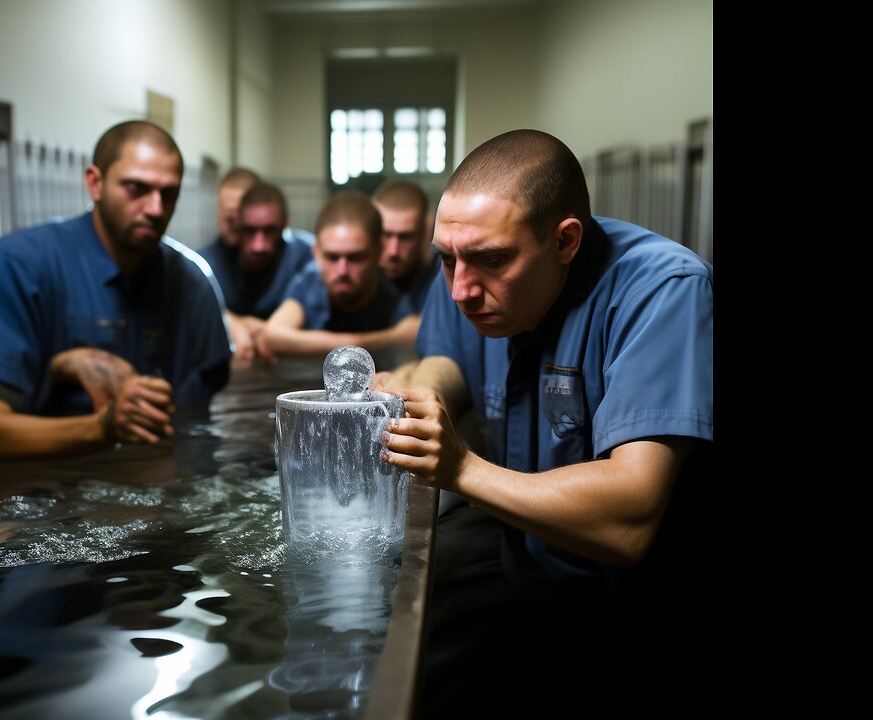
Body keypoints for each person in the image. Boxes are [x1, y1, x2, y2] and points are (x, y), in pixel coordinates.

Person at [377, 129, 714, 714]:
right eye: (446, 259)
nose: (460, 289)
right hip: (526, 550)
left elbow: (629, 520)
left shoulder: (662, 289)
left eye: (491, 260)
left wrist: (459, 466)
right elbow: (445, 359)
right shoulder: (468, 264)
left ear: (565, 241)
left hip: (640, 594)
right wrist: (422, 397)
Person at [0, 120, 232, 459]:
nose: (155, 209)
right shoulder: (18, 266)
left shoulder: (193, 287)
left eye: (168, 193)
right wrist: (101, 427)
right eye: (136, 188)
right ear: (95, 183)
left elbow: (196, 424)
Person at [258, 192, 419, 358]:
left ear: (379, 251)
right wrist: (357, 343)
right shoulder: (311, 282)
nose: (342, 270)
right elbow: (273, 335)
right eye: (332, 257)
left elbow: (412, 332)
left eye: (356, 258)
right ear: (316, 252)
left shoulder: (390, 296)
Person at [199, 182, 314, 365]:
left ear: (285, 224)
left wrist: (270, 333)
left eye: (269, 231)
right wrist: (228, 319)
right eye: (249, 231)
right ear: (237, 226)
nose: (258, 246)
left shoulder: (306, 256)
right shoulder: (205, 265)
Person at [373, 180, 440, 314]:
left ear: (425, 232)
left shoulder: (443, 278)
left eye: (405, 237)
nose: (393, 251)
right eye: (386, 235)